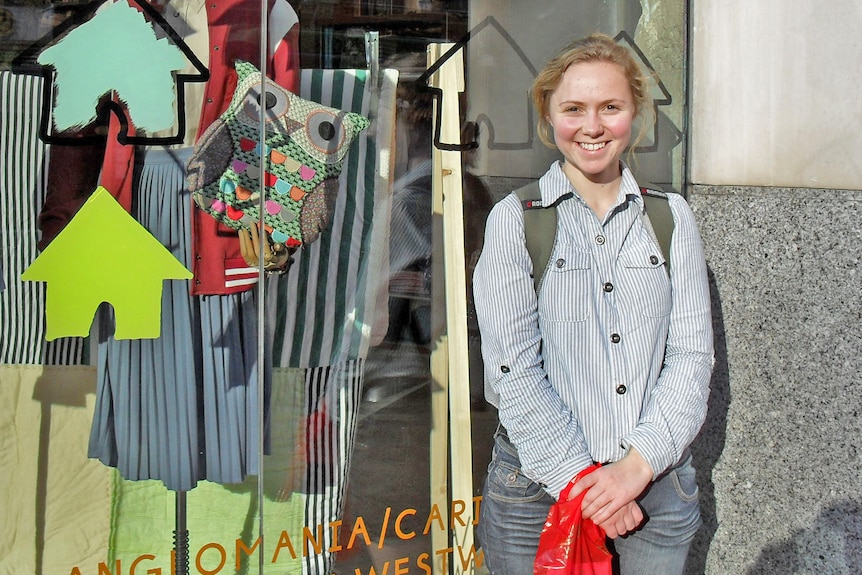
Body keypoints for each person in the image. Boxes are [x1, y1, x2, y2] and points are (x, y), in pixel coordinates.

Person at [473, 33, 713, 574]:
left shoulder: (671, 219)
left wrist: (634, 468)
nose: (593, 126)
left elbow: (692, 357)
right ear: (549, 116)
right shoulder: (516, 219)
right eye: (574, 109)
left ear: (636, 114)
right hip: (537, 491)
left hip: (655, 487)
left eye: (611, 107)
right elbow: (512, 368)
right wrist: (584, 481)